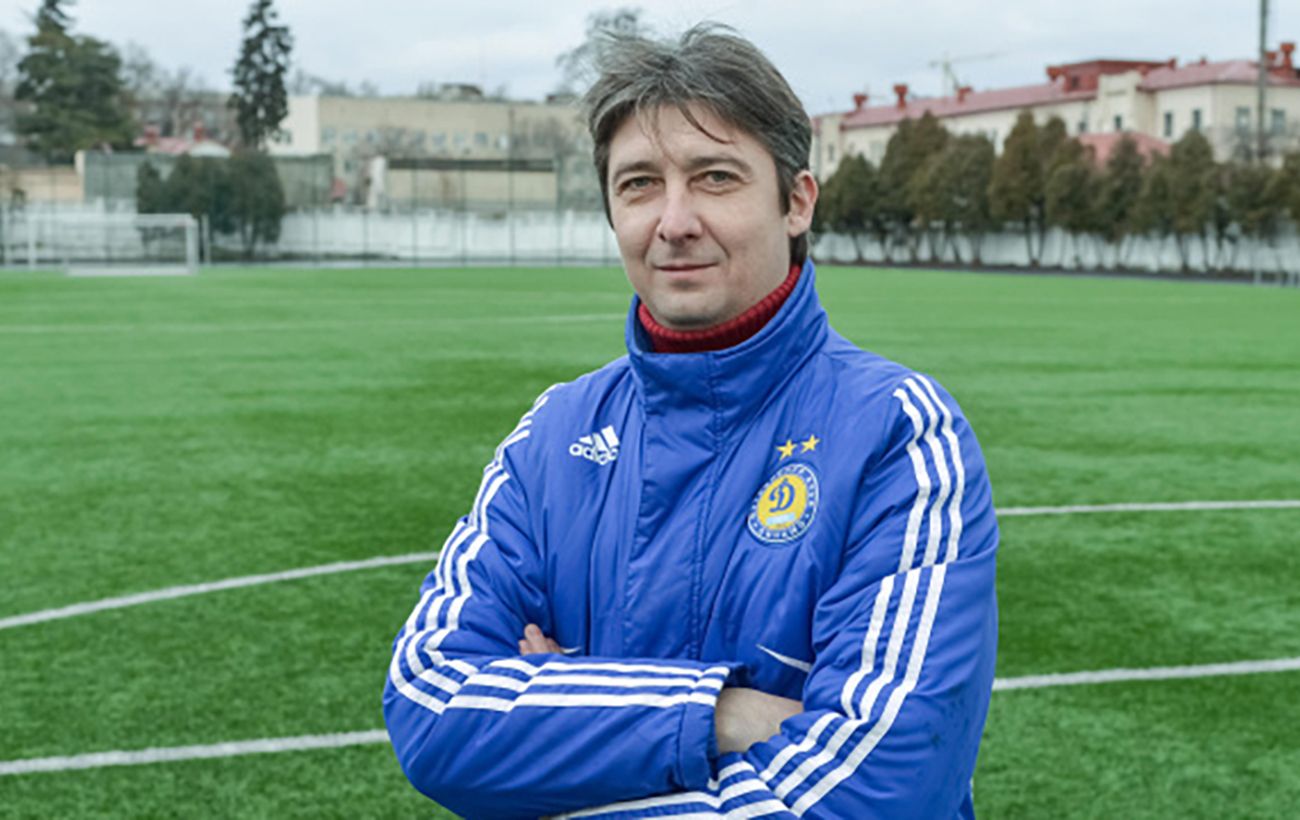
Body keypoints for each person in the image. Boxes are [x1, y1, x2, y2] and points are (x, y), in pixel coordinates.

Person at [384, 24, 998, 819]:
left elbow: (874, 791)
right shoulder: (553, 437)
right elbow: (432, 709)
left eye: (714, 177)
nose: (673, 221)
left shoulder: (898, 436)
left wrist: (563, 708)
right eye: (640, 184)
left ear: (796, 202)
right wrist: (718, 713)